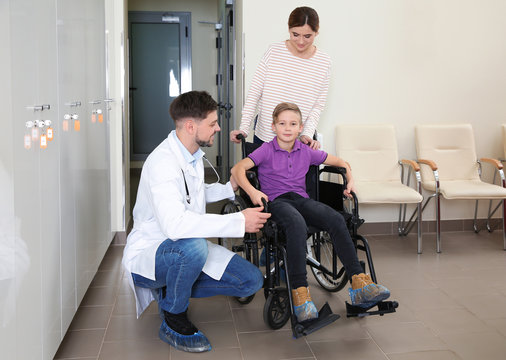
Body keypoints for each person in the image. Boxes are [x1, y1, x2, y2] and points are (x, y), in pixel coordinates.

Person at [122, 91, 270, 353]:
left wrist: (228, 188)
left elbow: (192, 194)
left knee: (250, 281)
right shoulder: (163, 164)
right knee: (194, 248)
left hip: (183, 248)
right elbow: (175, 226)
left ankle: (170, 289)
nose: (218, 128)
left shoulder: (191, 154)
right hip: (154, 251)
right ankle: (173, 315)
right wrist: (238, 221)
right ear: (191, 126)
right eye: (212, 123)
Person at [231, 102, 390, 323]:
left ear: (300, 127)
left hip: (301, 200)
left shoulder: (305, 151)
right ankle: (301, 295)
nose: (287, 128)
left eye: (293, 124)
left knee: (335, 218)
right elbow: (237, 169)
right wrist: (253, 191)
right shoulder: (266, 149)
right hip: (276, 203)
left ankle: (359, 283)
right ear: (274, 126)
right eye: (282, 123)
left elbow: (341, 163)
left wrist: (351, 180)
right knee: (296, 223)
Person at [230, 6, 330, 150]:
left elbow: (317, 106)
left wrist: (306, 134)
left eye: (307, 36)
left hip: (296, 140)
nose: (301, 41)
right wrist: (244, 128)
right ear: (288, 29)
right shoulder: (273, 52)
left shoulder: (324, 62)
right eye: (295, 34)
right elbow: (254, 93)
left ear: (317, 32)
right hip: (265, 135)